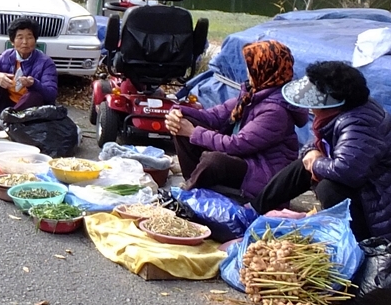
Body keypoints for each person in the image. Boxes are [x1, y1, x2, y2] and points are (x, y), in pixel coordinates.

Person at [252, 61, 391, 240]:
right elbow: (317, 144)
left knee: (328, 188)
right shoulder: (339, 115)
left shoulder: (359, 124)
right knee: (303, 165)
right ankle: (255, 209)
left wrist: (315, 162)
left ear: (333, 101)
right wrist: (312, 154)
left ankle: (360, 240)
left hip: (374, 203)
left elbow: (349, 171)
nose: (310, 106)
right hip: (361, 184)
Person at [165, 40, 306, 199]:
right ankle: (194, 184)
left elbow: (236, 145)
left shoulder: (275, 111)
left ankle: (189, 192)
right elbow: (213, 116)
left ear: (265, 70)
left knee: (214, 160)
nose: (247, 71)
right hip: (244, 161)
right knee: (184, 122)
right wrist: (177, 112)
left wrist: (193, 132)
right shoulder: (252, 95)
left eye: (251, 67)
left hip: (263, 175)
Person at [0, 18, 58, 127]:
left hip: (28, 112)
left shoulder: (46, 63)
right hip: (6, 106)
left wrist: (34, 84)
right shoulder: (7, 56)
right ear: (12, 41)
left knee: (35, 95)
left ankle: (2, 124)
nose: (25, 42)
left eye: (29, 37)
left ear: (35, 40)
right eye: (20, 37)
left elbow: (51, 94)